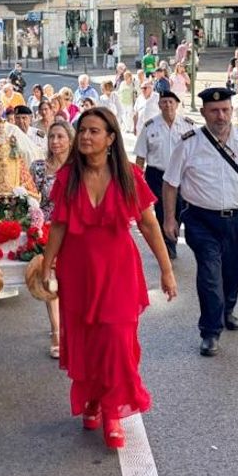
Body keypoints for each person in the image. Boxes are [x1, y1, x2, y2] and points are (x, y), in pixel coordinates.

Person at [40, 107, 177, 450]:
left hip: (118, 272)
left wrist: (166, 269)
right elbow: (57, 225)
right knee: (86, 340)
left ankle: (112, 410)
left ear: (111, 138)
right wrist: (47, 265)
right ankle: (91, 399)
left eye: (94, 131)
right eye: (82, 131)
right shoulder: (68, 176)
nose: (85, 137)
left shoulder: (128, 176)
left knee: (117, 340)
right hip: (78, 271)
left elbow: (148, 224)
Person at [162, 87, 238, 357]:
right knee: (210, 274)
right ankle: (210, 331)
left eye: (225, 110)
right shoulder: (189, 143)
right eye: (214, 111)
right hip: (203, 220)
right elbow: (170, 184)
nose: (220, 116)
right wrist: (169, 218)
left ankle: (228, 308)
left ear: (231, 111)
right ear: (203, 113)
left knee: (237, 272)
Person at [29, 120, 74, 359]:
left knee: (72, 283)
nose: (55, 141)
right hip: (47, 230)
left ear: (70, 140)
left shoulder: (80, 167)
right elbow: (30, 200)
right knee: (52, 280)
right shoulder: (38, 167)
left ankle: (72, 328)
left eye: (60, 137)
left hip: (74, 231)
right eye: (51, 137)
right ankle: (57, 331)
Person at [134, 90, 195, 260]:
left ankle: (171, 238)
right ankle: (167, 245)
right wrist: (137, 180)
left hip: (181, 175)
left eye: (171, 102)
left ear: (177, 105)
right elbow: (140, 156)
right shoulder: (150, 126)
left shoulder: (188, 126)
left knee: (180, 208)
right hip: (157, 175)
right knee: (161, 210)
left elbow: (196, 153)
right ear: (159, 105)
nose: (168, 105)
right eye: (164, 102)